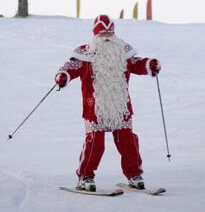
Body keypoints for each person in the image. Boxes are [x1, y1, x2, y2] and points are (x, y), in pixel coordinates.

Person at [55, 14, 161, 192]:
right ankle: (85, 176)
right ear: (95, 35)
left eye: (109, 34)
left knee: (127, 141)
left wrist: (149, 64)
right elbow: (69, 67)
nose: (106, 38)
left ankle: (134, 174)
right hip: (94, 108)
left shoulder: (123, 52)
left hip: (120, 106)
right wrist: (63, 76)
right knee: (95, 143)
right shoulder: (84, 54)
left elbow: (137, 63)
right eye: (102, 34)